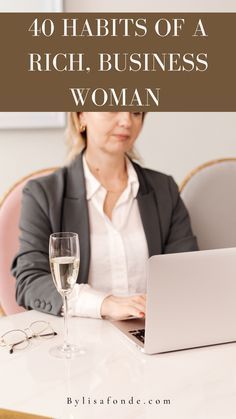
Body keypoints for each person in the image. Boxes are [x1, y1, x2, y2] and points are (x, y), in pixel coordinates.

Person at [12, 112, 198, 320]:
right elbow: (30, 282)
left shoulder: (165, 189)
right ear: (81, 116)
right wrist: (104, 303)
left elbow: (186, 274)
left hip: (151, 334)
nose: (127, 121)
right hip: (79, 340)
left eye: (136, 112)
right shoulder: (43, 194)